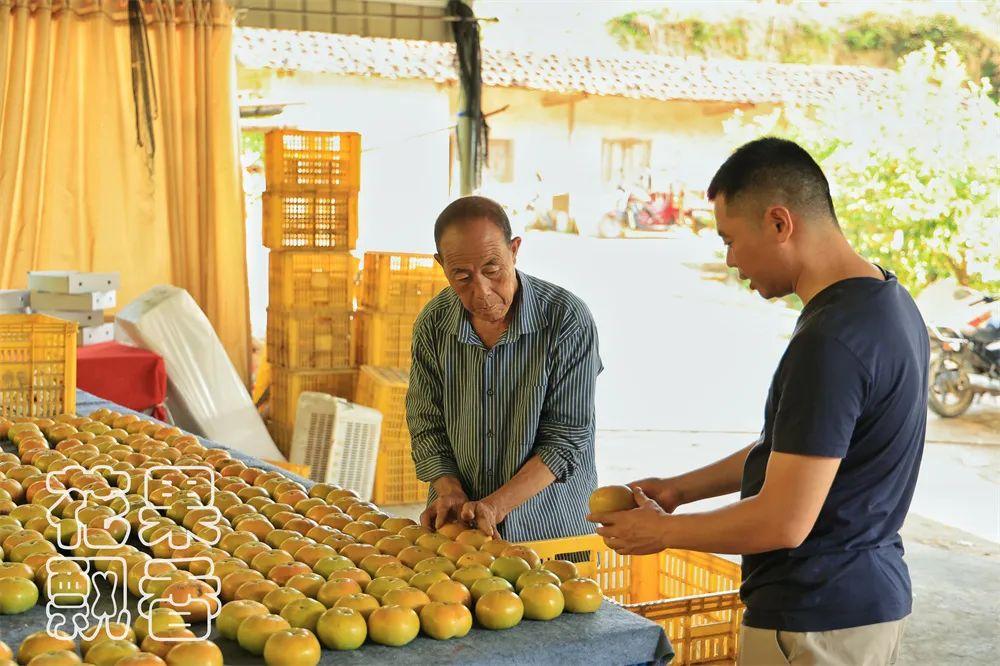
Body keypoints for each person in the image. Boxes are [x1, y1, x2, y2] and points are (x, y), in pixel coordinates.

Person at [589, 138, 927, 665]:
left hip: (815, 616)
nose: (729, 260)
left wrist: (663, 532)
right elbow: (800, 448)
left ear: (778, 223)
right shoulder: (887, 299)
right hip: (863, 599)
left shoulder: (830, 342)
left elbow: (782, 522)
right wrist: (680, 489)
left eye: (730, 239)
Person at [406, 195, 603, 542]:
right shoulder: (434, 324)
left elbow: (567, 438)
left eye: (492, 269)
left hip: (550, 534)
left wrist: (496, 506)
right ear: (441, 265)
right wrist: (448, 488)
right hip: (461, 534)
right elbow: (426, 424)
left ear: (514, 250)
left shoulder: (566, 320)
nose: (481, 291)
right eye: (462, 276)